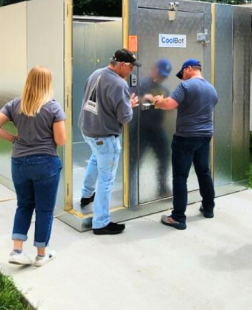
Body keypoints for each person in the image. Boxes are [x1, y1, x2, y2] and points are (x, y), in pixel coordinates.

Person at [0, 66, 66, 267]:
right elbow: (61, 140)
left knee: (24, 205)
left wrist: (14, 138)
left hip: (19, 162)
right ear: (47, 83)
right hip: (46, 163)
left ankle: (17, 250)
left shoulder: (15, 104)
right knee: (45, 210)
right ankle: (41, 254)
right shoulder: (53, 108)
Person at [149, 59, 219, 230]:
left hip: (186, 137)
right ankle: (208, 208)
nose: (182, 78)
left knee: (180, 177)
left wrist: (157, 101)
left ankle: (178, 217)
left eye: (183, 74)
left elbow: (170, 104)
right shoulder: (211, 89)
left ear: (189, 69)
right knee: (204, 172)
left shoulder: (186, 86)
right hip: (205, 136)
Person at [78, 48, 140, 235]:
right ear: (121, 65)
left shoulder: (96, 73)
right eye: (130, 67)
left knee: (96, 160)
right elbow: (125, 117)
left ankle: (86, 195)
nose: (131, 71)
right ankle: (101, 223)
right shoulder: (119, 84)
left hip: (88, 130)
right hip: (105, 137)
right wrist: (130, 104)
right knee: (107, 180)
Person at [134, 59, 172, 197]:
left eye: (164, 75)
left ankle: (162, 188)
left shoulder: (164, 89)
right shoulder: (141, 84)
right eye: (160, 73)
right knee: (135, 159)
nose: (161, 77)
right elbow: (129, 99)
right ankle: (131, 193)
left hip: (157, 128)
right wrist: (144, 98)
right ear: (154, 69)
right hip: (141, 128)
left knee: (164, 155)